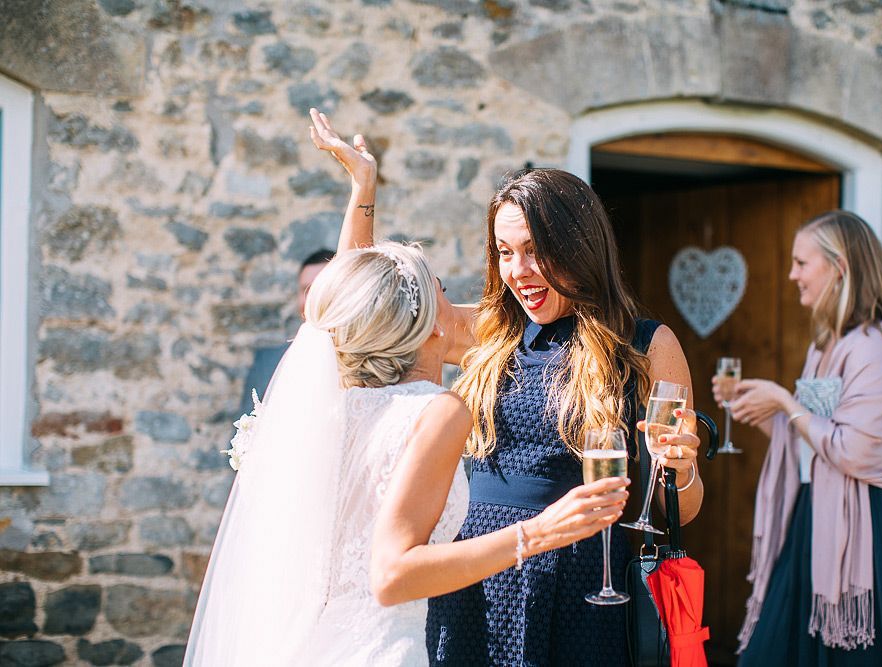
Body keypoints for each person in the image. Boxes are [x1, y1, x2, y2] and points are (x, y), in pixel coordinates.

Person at [185, 157, 629, 666]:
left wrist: (364, 191)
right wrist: (542, 530)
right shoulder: (436, 411)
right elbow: (393, 573)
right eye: (440, 290)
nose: (458, 304)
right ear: (432, 325)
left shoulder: (345, 409)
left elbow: (347, 302)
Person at [308, 109, 704, 666]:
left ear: (580, 248)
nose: (518, 270)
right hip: (474, 577)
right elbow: (360, 307)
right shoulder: (492, 331)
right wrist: (363, 188)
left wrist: (681, 471)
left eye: (536, 251)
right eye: (505, 251)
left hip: (587, 584)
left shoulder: (646, 343)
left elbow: (679, 511)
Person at [715, 211, 882, 666]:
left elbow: (853, 451)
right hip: (817, 515)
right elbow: (814, 445)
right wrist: (763, 411)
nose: (792, 275)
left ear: (839, 267)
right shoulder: (825, 344)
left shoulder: (877, 345)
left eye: (801, 263)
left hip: (874, 528)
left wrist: (786, 402)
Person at [236, 248, 336, 419]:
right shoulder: (267, 362)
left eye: (321, 288)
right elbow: (242, 437)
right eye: (306, 289)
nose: (312, 299)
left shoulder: (367, 362)